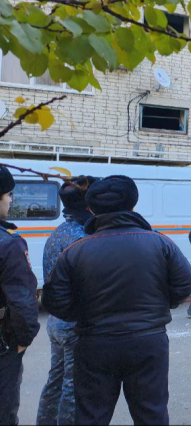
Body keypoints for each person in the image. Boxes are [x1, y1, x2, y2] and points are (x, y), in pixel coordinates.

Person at [42, 175, 191, 425]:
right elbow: (185, 285)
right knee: (151, 414)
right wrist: (158, 307)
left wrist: (86, 315)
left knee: (91, 415)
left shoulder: (75, 251)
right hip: (148, 342)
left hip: (94, 344)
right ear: (133, 205)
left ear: (91, 209)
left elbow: (56, 302)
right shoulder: (160, 243)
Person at [37, 176, 97, 426]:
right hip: (74, 324)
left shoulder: (58, 232)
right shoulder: (83, 237)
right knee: (74, 386)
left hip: (56, 323)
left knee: (56, 379)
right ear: (88, 205)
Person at [0, 166, 40, 425]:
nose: (11, 200)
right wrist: (23, 340)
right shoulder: (9, 243)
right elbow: (22, 300)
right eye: (8, 195)